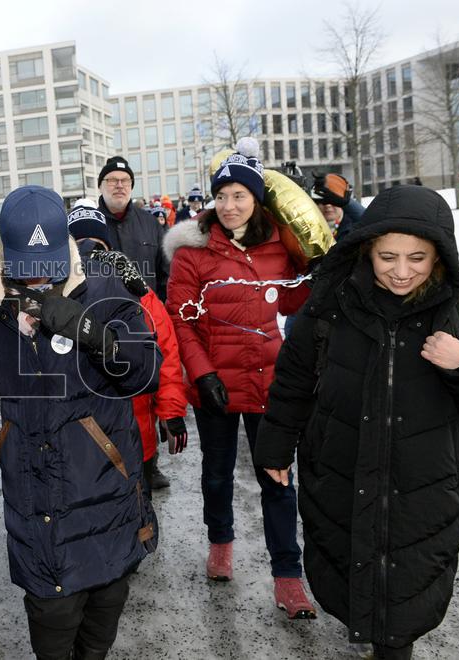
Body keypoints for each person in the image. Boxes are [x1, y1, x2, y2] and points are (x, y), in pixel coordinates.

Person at [255, 185, 459, 659]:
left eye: (417, 258)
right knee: (352, 575)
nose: (402, 271)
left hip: (428, 488)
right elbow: (293, 379)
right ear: (367, 251)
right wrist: (276, 444)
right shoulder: (331, 308)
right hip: (343, 473)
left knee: (404, 597)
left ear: (438, 255)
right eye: (388, 257)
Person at [0, 185, 160, 660]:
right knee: (53, 631)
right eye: (26, 267)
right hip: (37, 501)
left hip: (106, 491)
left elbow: (144, 371)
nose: (38, 278)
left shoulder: (104, 283)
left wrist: (91, 332)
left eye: (49, 264)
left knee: (100, 629)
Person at [163, 137, 316, 619]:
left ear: (257, 199)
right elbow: (180, 320)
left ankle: (288, 577)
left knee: (277, 478)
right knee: (216, 473)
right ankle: (220, 542)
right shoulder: (193, 251)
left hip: (268, 383)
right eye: (222, 196)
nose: (228, 206)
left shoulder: (278, 248)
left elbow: (291, 302)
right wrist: (202, 373)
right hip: (216, 387)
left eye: (239, 196)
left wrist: (317, 275)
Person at [66, 201, 187, 495]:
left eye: (95, 244)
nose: (88, 252)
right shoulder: (57, 294)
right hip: (76, 437)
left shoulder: (137, 292)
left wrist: (171, 412)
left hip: (136, 432)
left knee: (137, 513)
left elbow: (166, 355)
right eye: (79, 244)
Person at [97, 156, 169, 300]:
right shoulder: (91, 226)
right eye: (112, 180)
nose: (119, 185)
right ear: (100, 186)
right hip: (105, 317)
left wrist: (160, 308)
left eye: (125, 180)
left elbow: (166, 274)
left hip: (148, 314)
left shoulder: (150, 223)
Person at [310, 172, 364, 240]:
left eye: (333, 201)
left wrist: (347, 202)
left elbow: (370, 221)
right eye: (323, 201)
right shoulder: (309, 229)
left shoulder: (355, 228)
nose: (328, 205)